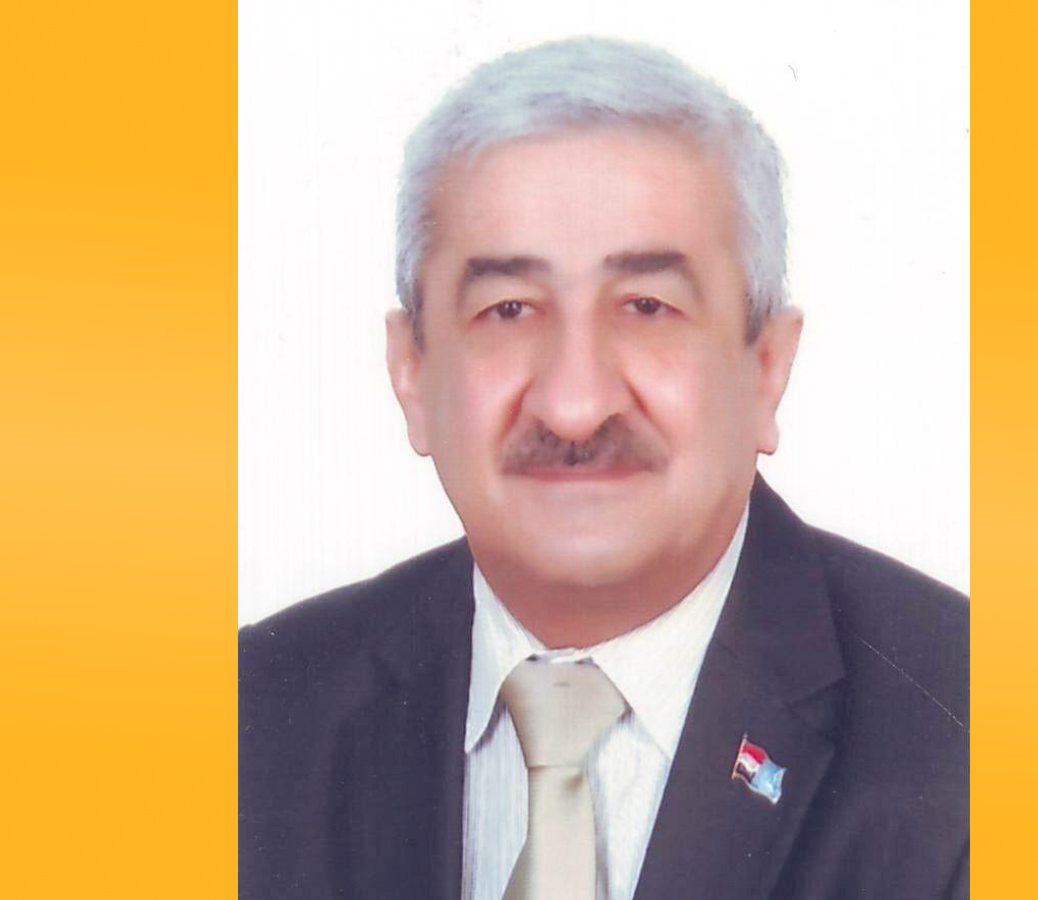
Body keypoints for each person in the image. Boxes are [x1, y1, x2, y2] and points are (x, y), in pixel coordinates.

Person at [240, 36, 968, 900]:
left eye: (647, 307)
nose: (575, 405)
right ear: (412, 373)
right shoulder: (249, 721)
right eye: (508, 309)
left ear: (767, 368)